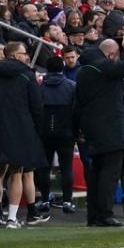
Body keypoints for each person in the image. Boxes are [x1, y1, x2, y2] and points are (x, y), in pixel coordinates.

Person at [0, 41, 48, 229]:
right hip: (21, 128)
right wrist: (38, 130)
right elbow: (37, 106)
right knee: (17, 171)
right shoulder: (27, 75)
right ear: (16, 55)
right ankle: (12, 218)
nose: (26, 56)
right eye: (24, 53)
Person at [76, 38, 124, 227]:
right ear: (111, 55)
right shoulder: (102, 67)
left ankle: (94, 215)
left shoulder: (85, 70)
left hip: (94, 127)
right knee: (109, 173)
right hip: (110, 128)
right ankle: (105, 214)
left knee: (96, 173)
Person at [36, 56, 78, 215]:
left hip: (44, 131)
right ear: (62, 68)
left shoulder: (40, 87)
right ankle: (67, 200)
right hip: (66, 131)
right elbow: (76, 110)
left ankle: (45, 199)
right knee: (66, 167)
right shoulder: (71, 86)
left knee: (44, 167)